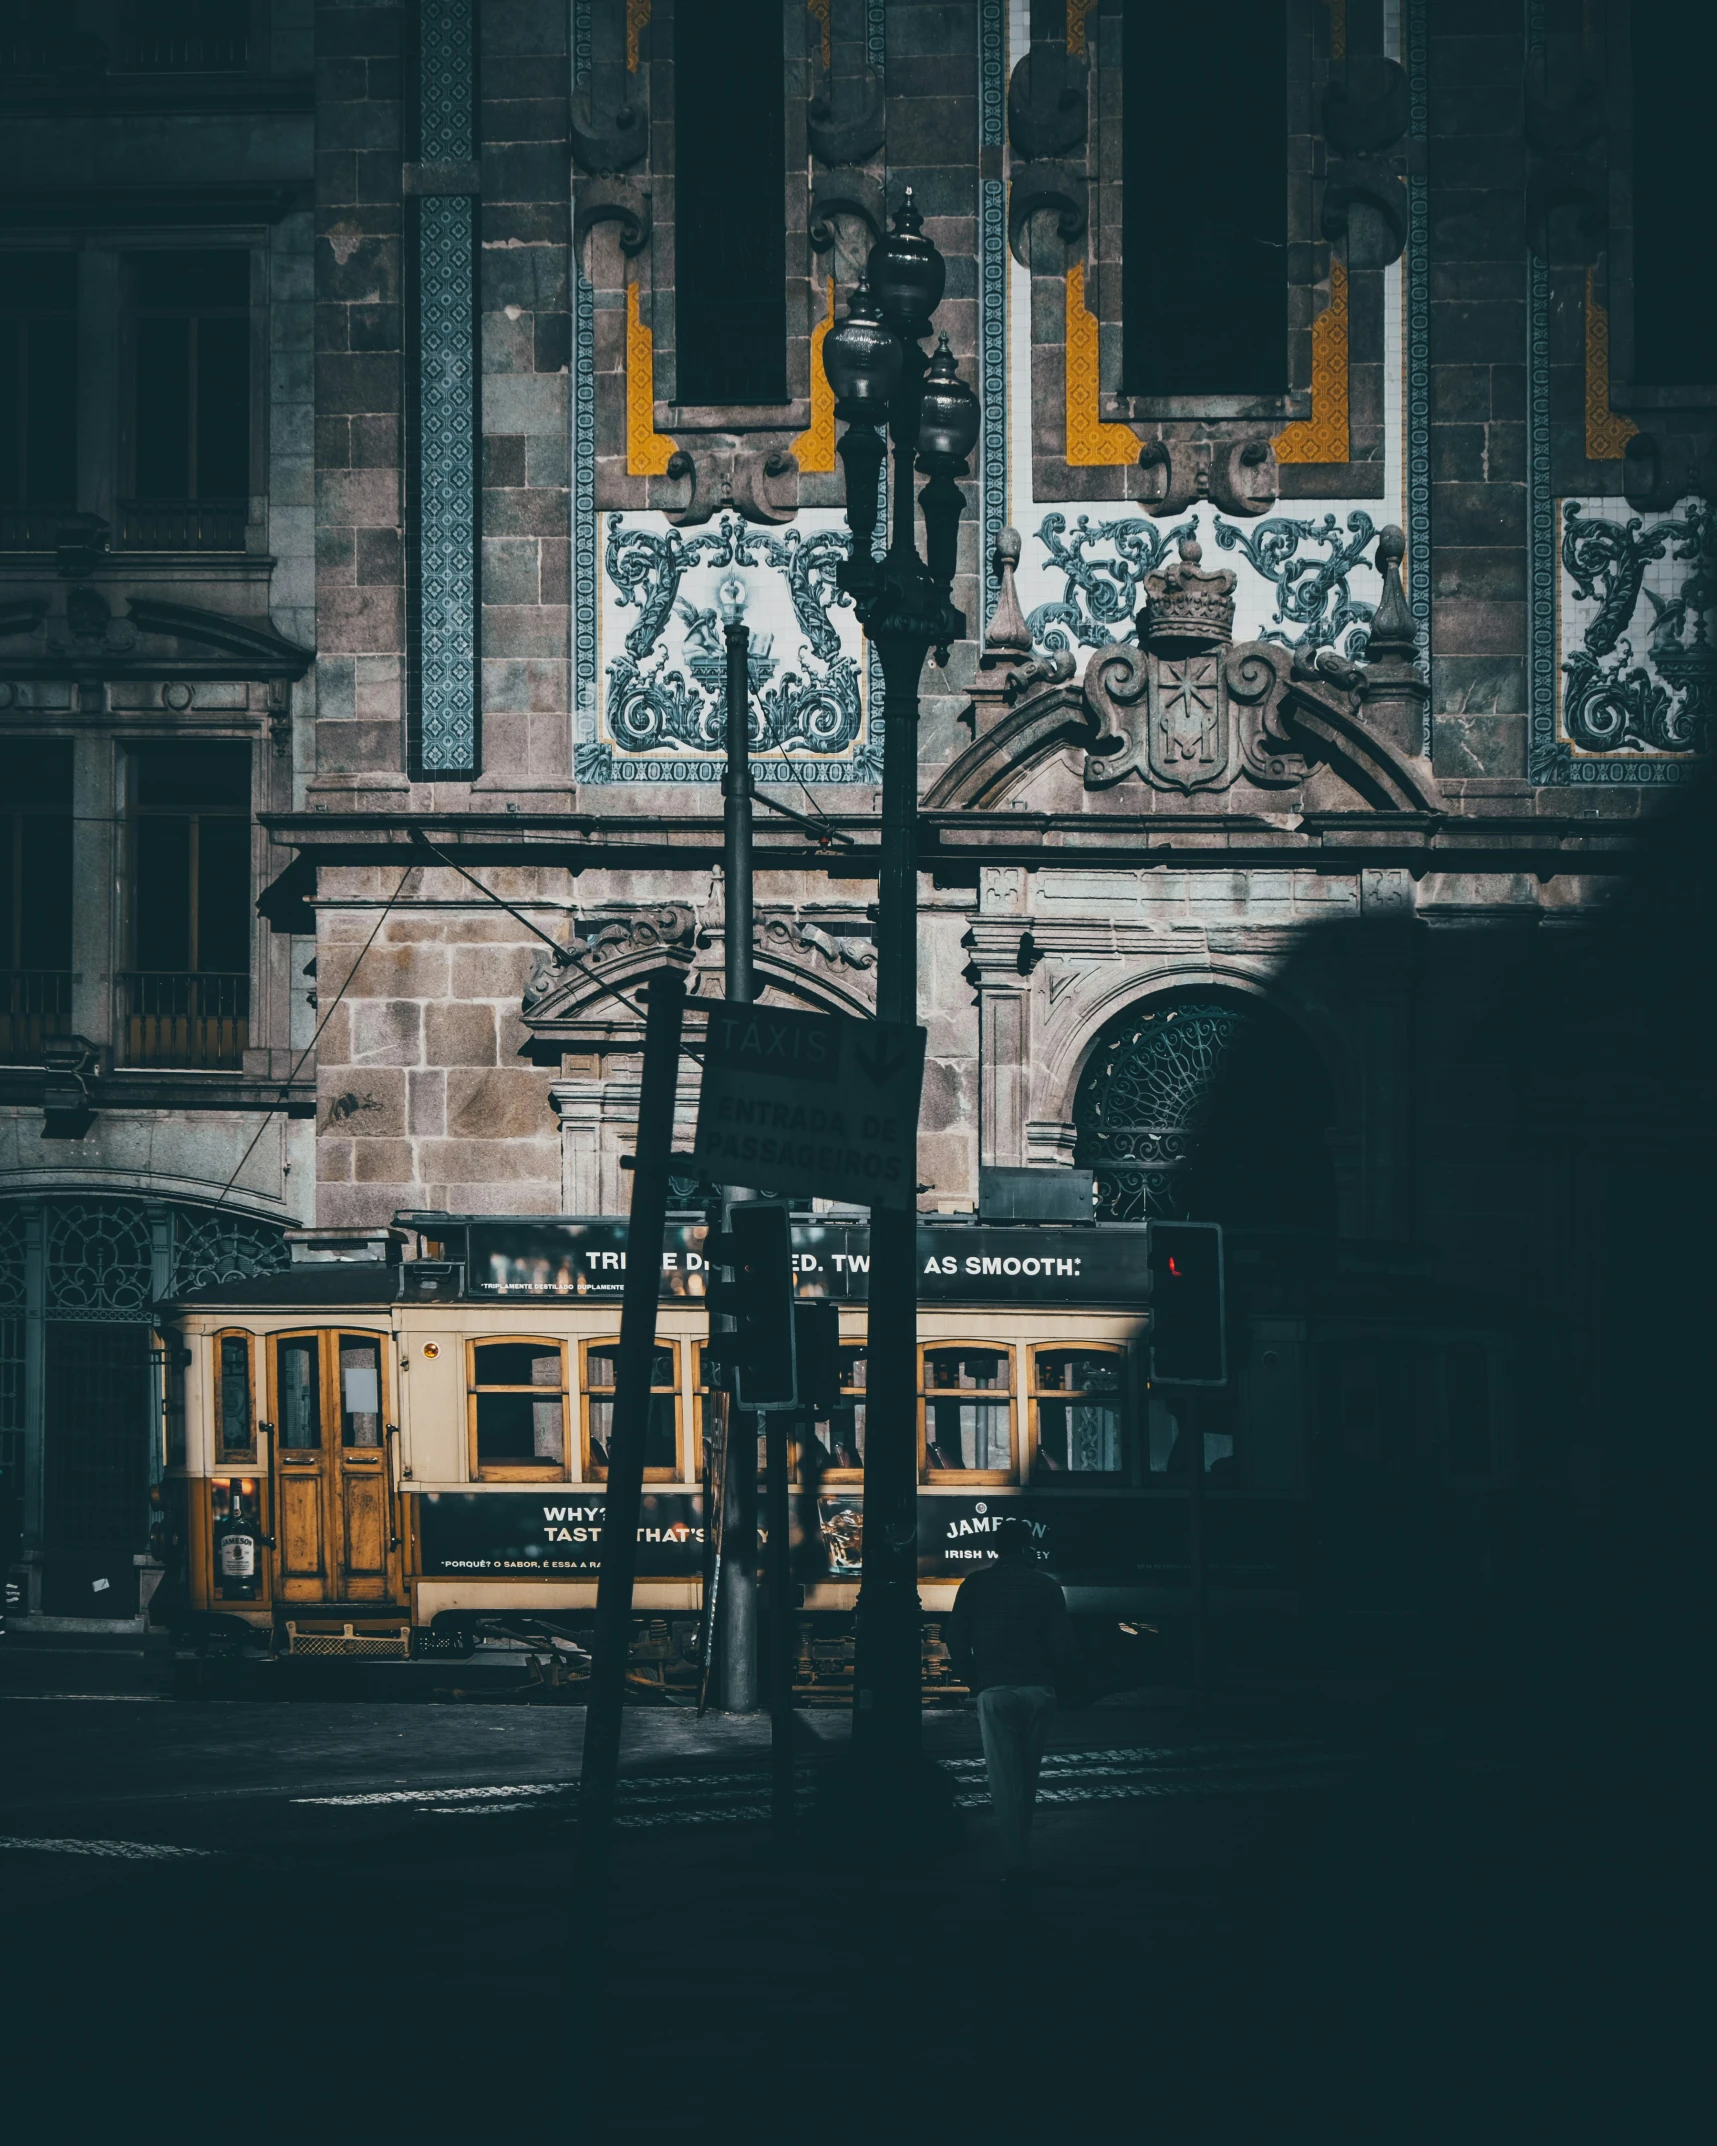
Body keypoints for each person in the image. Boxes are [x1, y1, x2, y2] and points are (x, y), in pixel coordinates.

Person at [947, 1516, 1072, 1897]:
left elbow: (954, 1638)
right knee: (1027, 1773)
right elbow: (1062, 1645)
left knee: (1003, 1778)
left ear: (997, 1549)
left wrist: (974, 1679)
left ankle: (1017, 1860)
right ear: (1027, 1548)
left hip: (994, 1689)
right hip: (1038, 1689)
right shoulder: (1046, 1586)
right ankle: (1023, 1844)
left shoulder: (975, 1584)